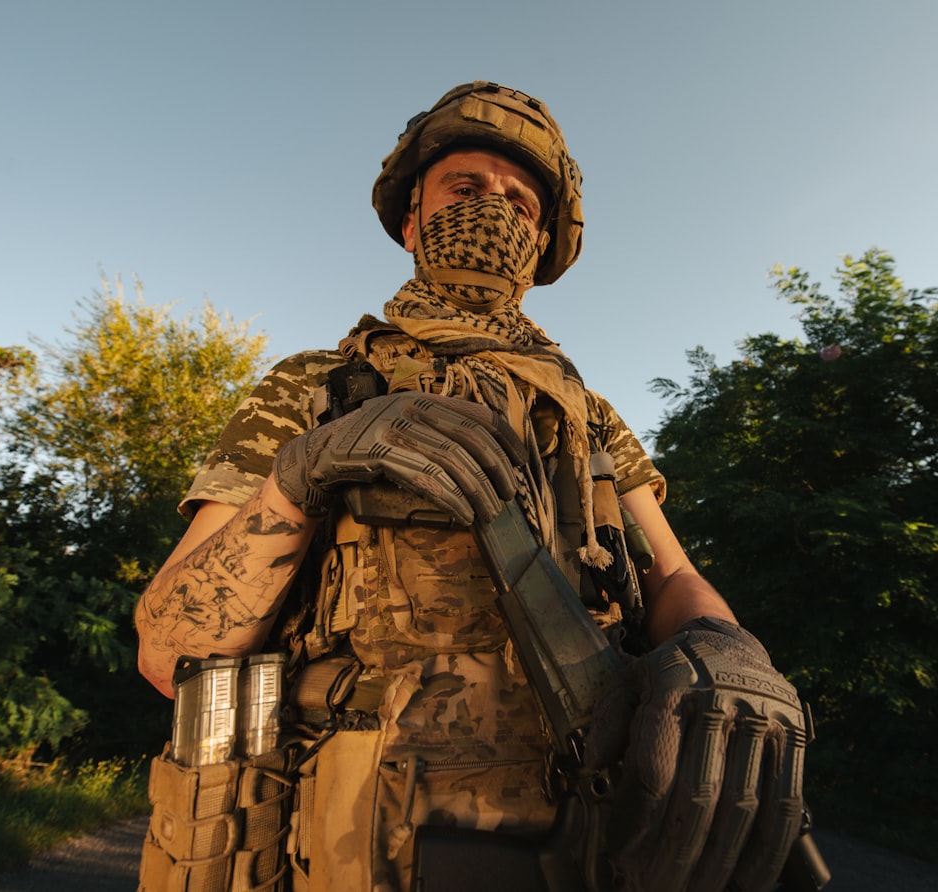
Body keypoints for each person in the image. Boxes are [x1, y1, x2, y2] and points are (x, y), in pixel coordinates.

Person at [135, 81, 809, 892]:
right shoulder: (313, 386)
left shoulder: (589, 415)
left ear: (541, 243)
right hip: (344, 831)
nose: (495, 208)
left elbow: (671, 576)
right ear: (413, 221)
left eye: (521, 202)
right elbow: (168, 649)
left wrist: (726, 650)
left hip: (581, 828)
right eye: (466, 187)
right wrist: (299, 476)